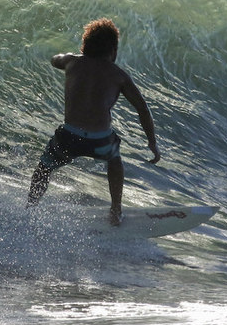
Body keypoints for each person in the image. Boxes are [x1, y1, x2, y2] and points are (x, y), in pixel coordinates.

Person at [27, 18, 160, 225]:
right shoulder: (119, 76)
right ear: (113, 50)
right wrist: (152, 142)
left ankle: (30, 208)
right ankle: (116, 210)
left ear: (85, 44)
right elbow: (142, 108)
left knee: (43, 169)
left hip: (69, 137)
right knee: (114, 161)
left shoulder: (72, 62)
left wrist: (63, 59)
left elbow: (56, 59)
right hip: (100, 141)